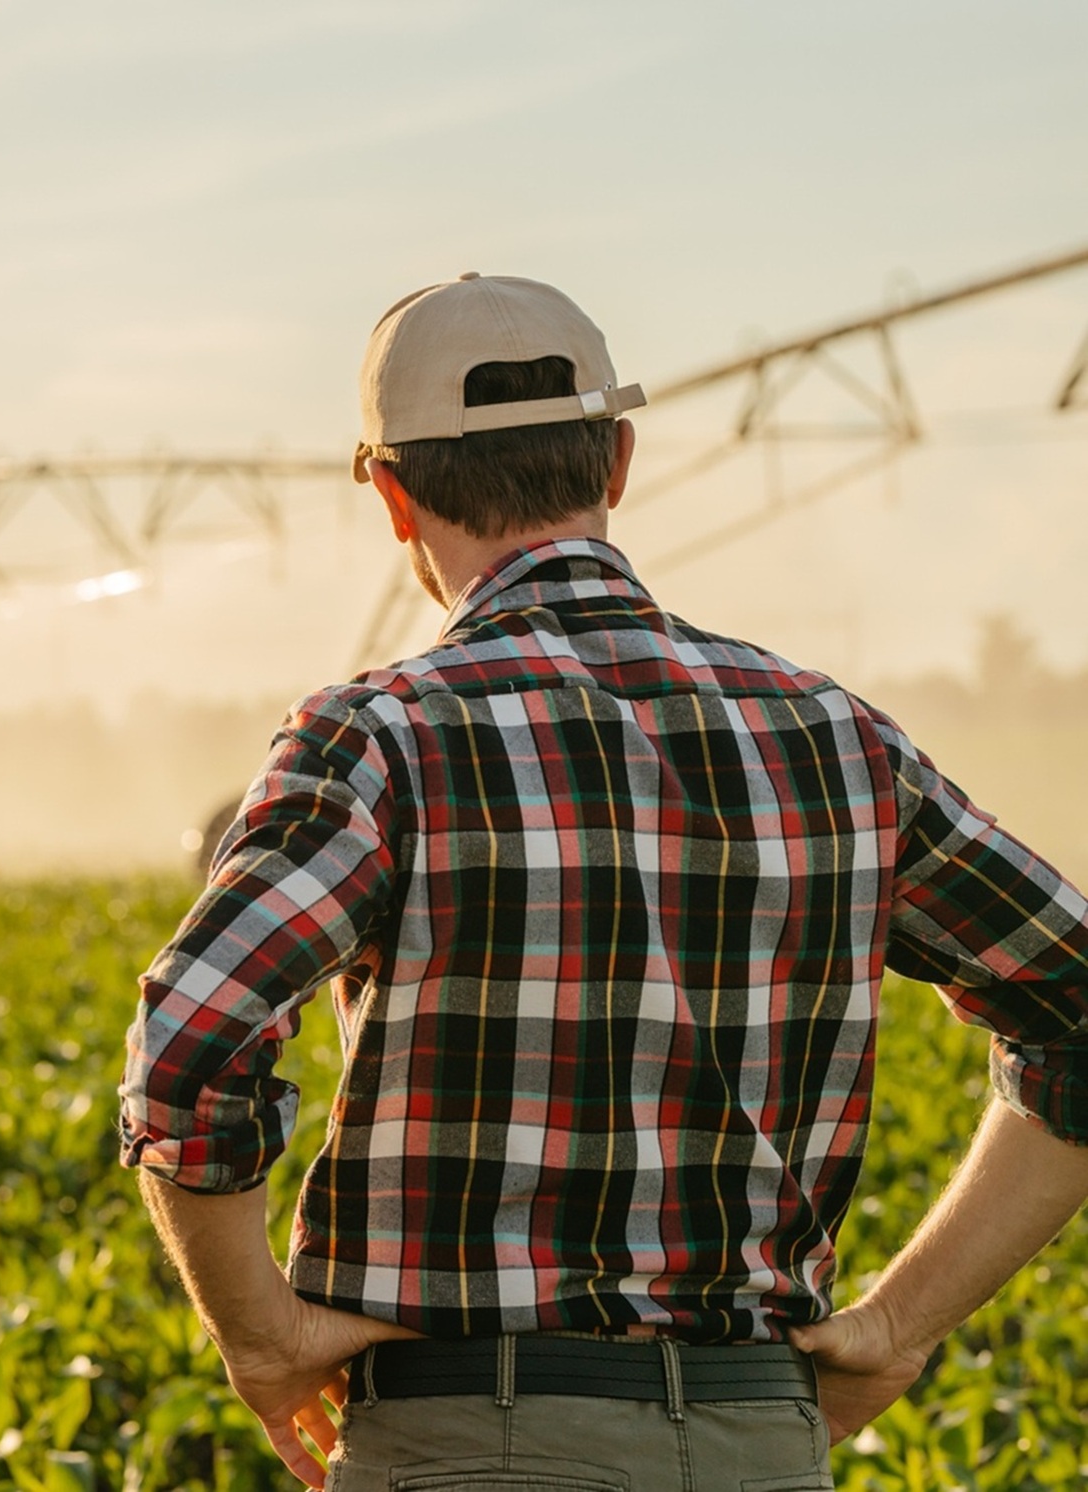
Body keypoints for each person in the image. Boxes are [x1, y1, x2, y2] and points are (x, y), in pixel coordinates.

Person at [117, 273, 1088, 1491]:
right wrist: (899, 1324)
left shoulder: (382, 738)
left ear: (391, 493)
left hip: (466, 1440)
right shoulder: (837, 735)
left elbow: (193, 1039)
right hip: (760, 1443)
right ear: (617, 460)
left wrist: (260, 1337)